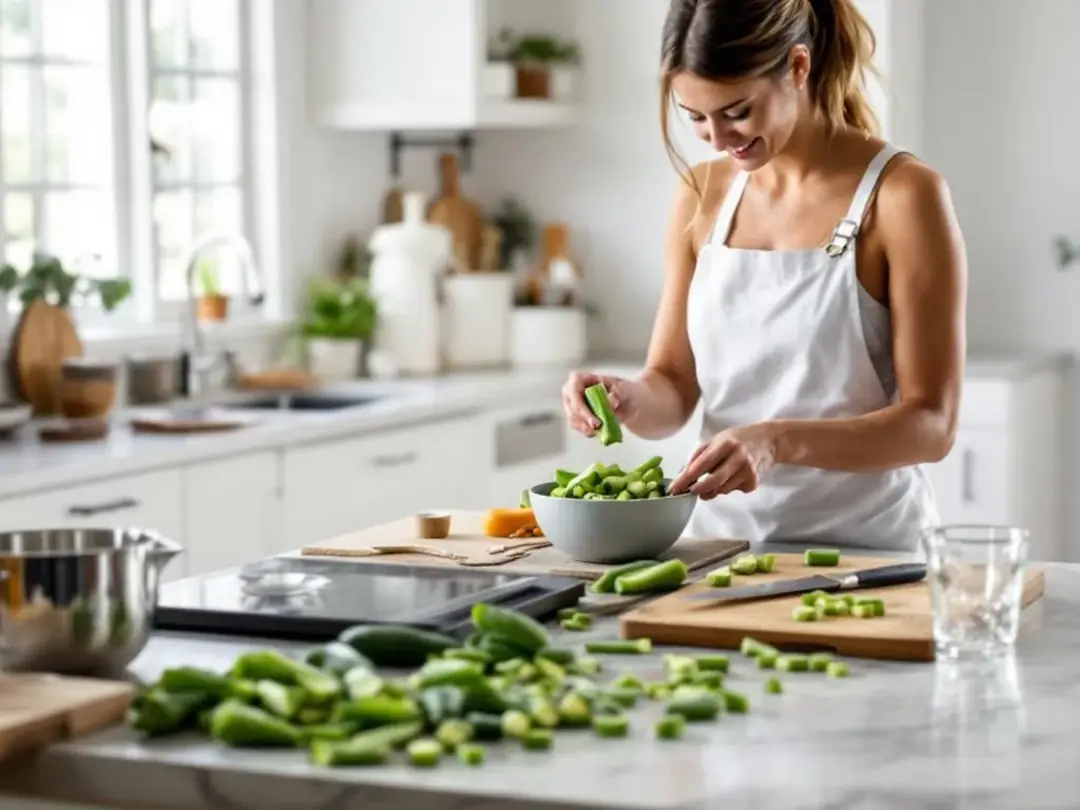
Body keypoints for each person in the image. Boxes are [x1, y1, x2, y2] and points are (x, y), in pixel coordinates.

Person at [562, 0, 967, 551]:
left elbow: (932, 425)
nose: (718, 138)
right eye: (696, 118)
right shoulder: (701, 194)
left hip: (869, 553)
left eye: (737, 111)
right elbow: (674, 388)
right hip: (719, 551)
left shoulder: (903, 195)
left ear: (798, 67)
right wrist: (627, 398)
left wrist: (776, 441)